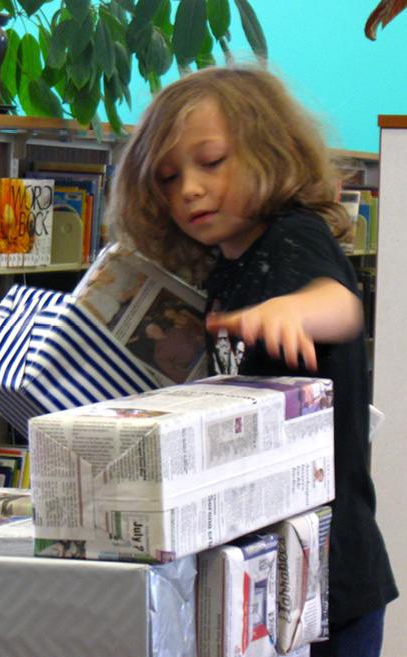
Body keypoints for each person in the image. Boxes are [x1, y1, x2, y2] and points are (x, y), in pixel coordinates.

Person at [107, 63, 398, 657]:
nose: (188, 188)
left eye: (211, 162)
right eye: (168, 178)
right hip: (274, 575)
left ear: (270, 152)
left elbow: (340, 304)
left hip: (329, 581)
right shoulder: (228, 267)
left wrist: (294, 310)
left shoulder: (292, 238)